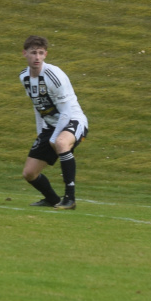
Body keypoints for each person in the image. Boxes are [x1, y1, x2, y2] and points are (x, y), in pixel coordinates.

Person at [19, 35, 88, 210]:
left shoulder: (53, 76)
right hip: (51, 125)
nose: (37, 57)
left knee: (61, 142)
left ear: (46, 55)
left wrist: (53, 138)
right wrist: (41, 133)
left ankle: (70, 198)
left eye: (41, 53)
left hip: (73, 119)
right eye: (33, 53)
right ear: (24, 53)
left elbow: (66, 111)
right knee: (29, 173)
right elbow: (37, 106)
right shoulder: (24, 77)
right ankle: (52, 199)